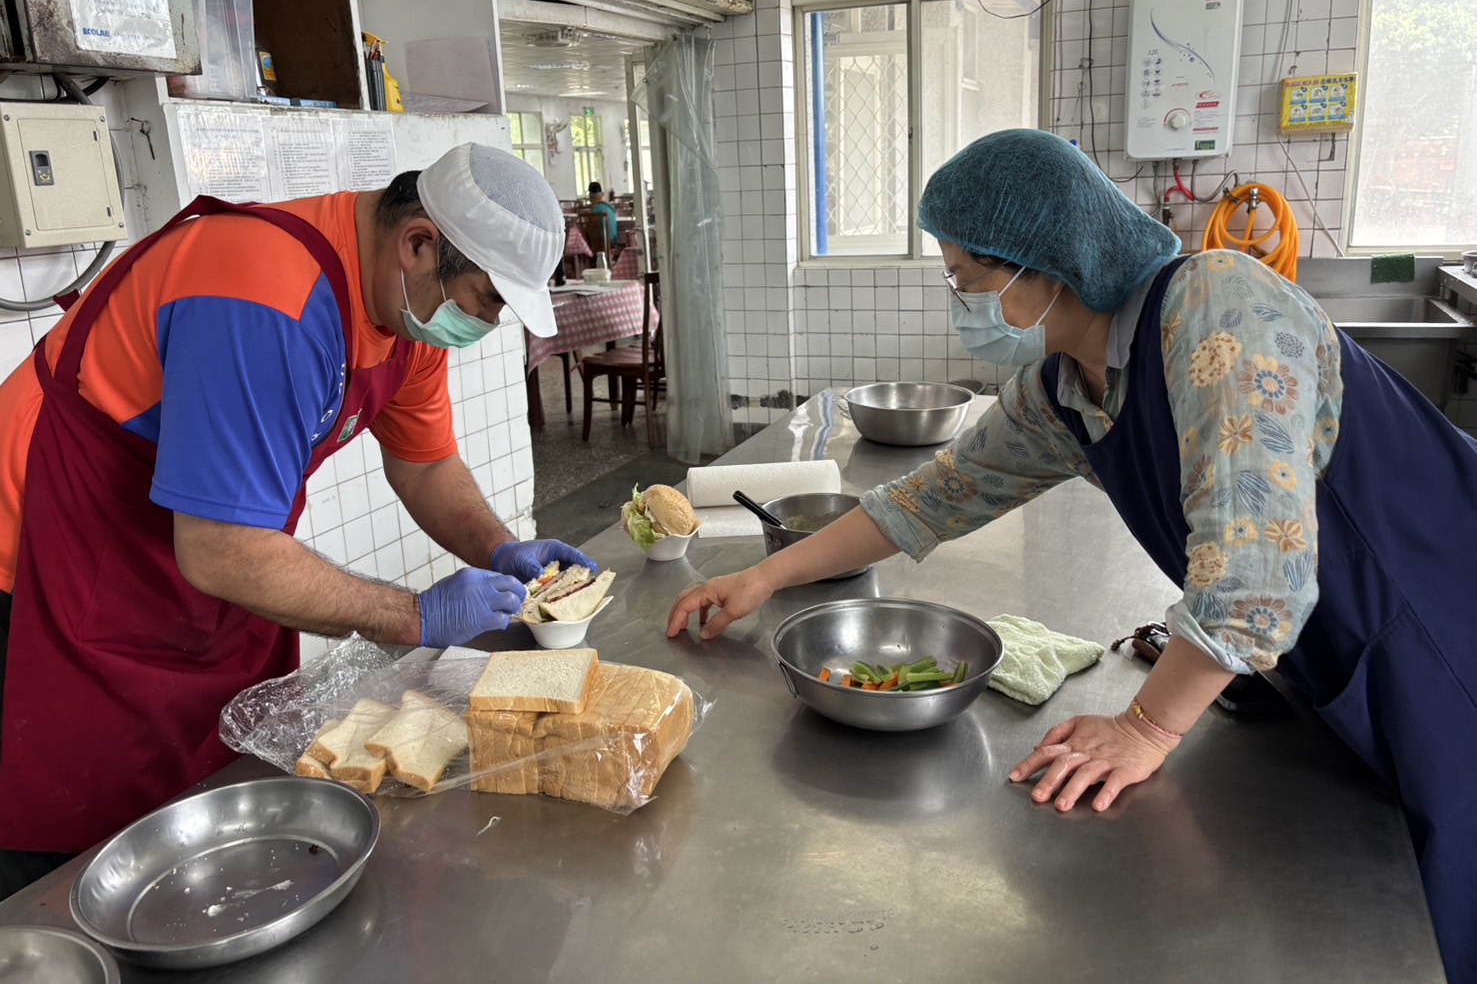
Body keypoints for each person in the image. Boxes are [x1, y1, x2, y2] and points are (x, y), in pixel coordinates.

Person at [665, 129, 1477, 981]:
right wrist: (763, 574)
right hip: (1345, 658)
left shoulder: (1216, 307)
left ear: (1047, 267)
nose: (960, 304)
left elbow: (1254, 577)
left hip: (1445, 627)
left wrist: (1146, 725)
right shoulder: (1066, 386)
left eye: (968, 281)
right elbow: (931, 496)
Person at [0, 143, 596, 897]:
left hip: (184, 560)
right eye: (487, 299)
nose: (487, 321)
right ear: (418, 243)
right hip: (47, 558)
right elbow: (221, 551)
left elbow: (425, 464)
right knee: (76, 840)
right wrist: (412, 614)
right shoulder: (263, 299)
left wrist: (503, 546)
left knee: (216, 793)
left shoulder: (406, 304)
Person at [587, 181, 618, 249]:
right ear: (602, 195)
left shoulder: (595, 210)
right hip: (613, 242)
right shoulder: (610, 208)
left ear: (590, 196)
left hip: (600, 244)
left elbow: (590, 228)